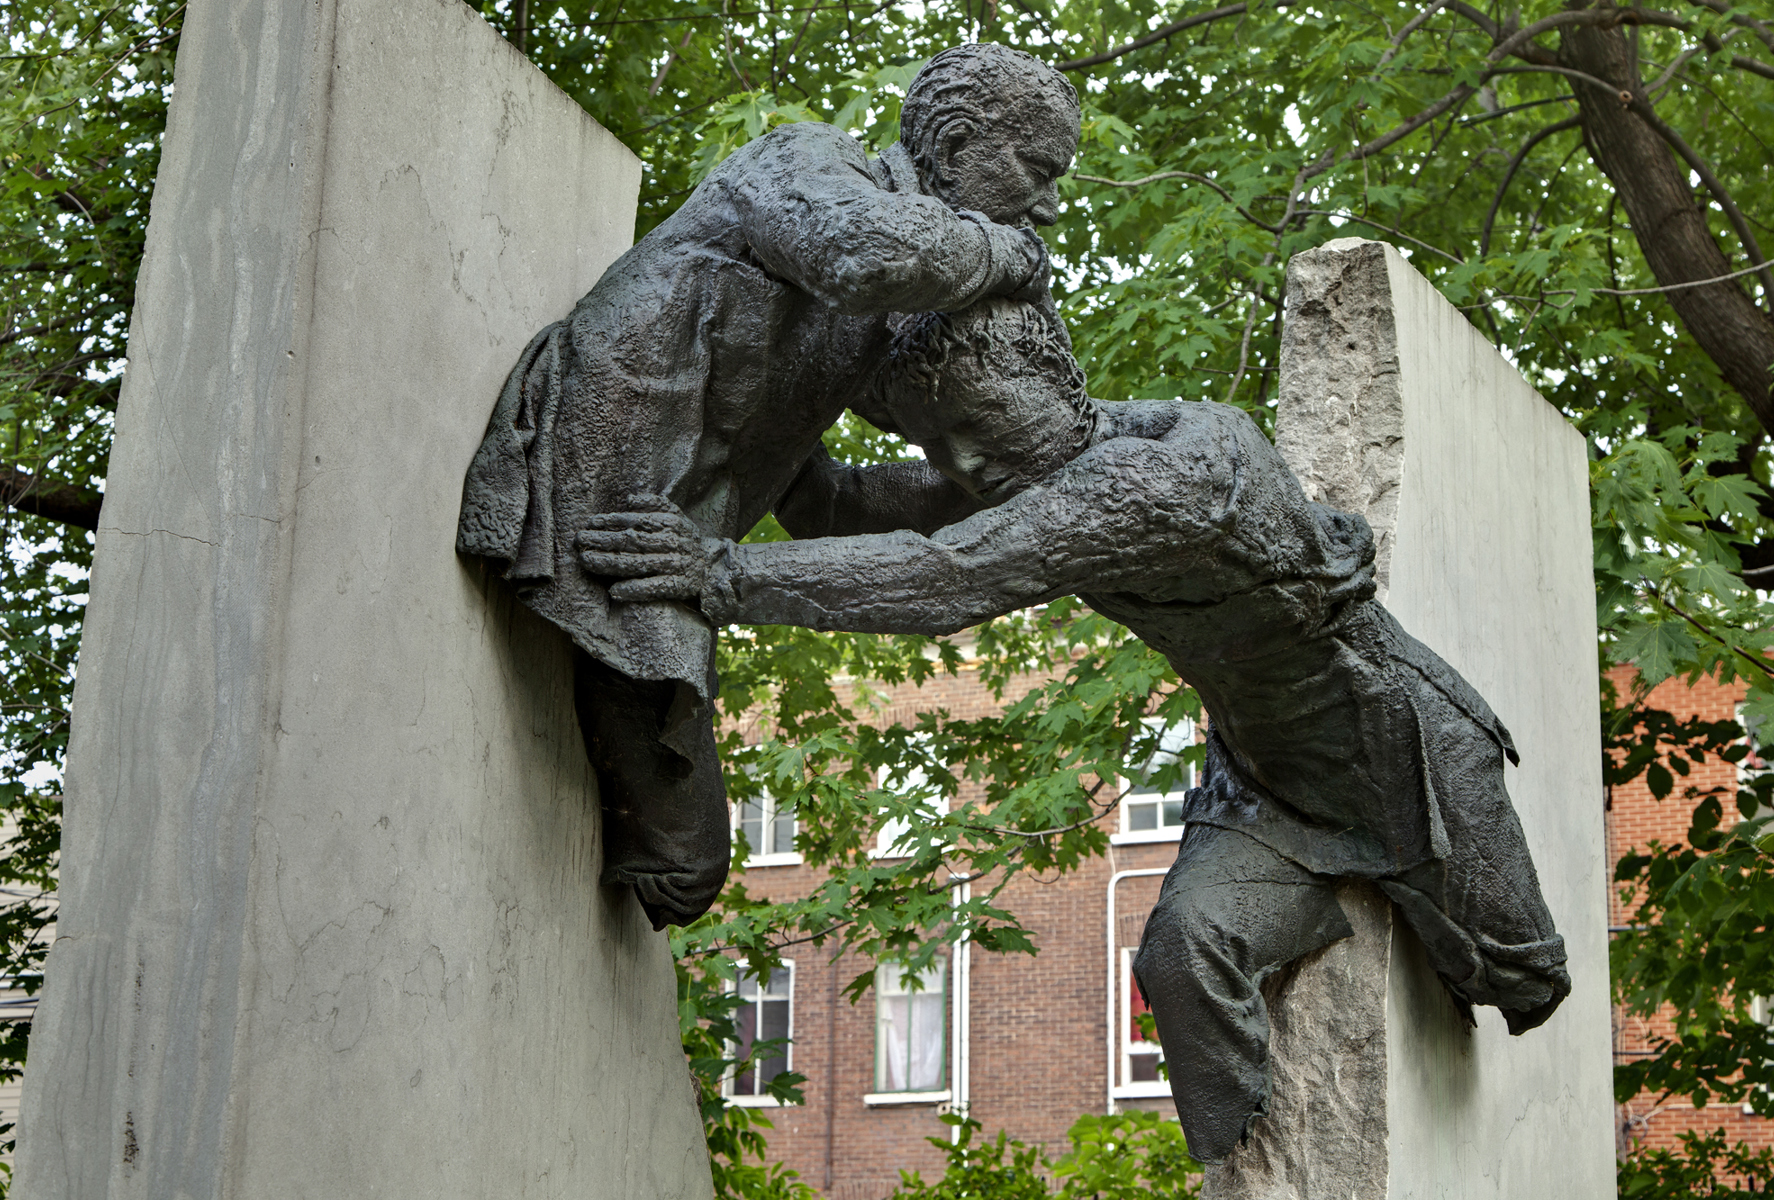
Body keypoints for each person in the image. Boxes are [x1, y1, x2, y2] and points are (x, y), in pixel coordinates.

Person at [581, 297, 1571, 1163]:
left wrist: (718, 574)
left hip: (1404, 752)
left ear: (1049, 379)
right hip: (1268, 788)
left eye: (976, 426)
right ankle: (1249, 1162)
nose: (968, 462)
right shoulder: (1038, 468)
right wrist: (773, 387)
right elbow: (839, 509)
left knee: (1527, 981)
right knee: (1180, 958)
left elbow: (949, 576)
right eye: (943, 445)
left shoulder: (1172, 472)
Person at [457, 45, 1081, 930]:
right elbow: (858, 251)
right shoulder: (804, 161)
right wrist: (1005, 254)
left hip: (659, 544)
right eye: (1038, 169)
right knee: (684, 865)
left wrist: (983, 488)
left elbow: (828, 504)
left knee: (685, 872)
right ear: (953, 140)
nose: (1048, 206)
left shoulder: (873, 319)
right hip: (597, 489)